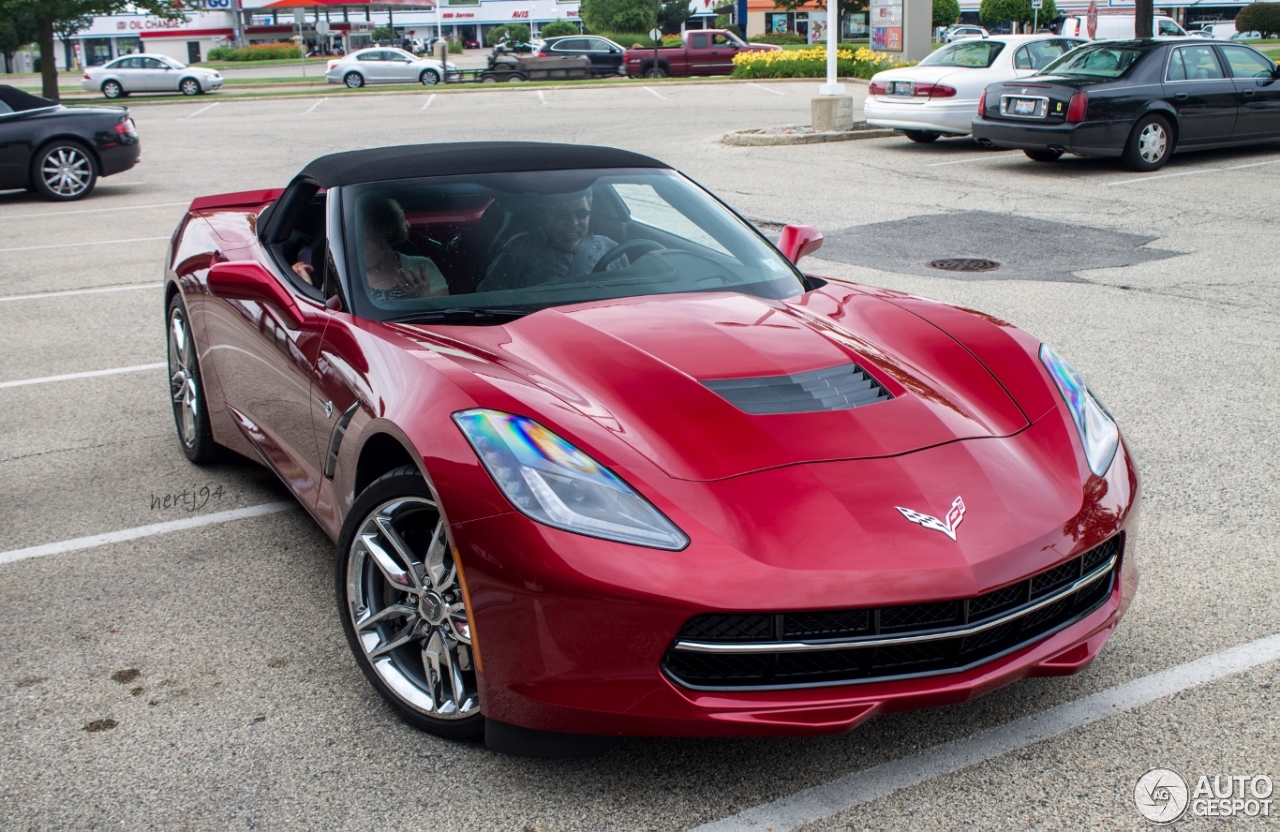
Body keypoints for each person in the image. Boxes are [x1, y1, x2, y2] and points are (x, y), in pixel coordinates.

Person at [478, 190, 626, 293]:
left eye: (581, 213)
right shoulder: (519, 250)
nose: (573, 223)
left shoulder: (610, 248)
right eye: (562, 214)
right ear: (544, 217)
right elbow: (488, 298)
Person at [358, 196, 448, 302]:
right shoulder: (347, 275)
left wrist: (424, 300)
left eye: (362, 243)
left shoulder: (423, 267)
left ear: (381, 236)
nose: (355, 252)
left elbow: (444, 313)